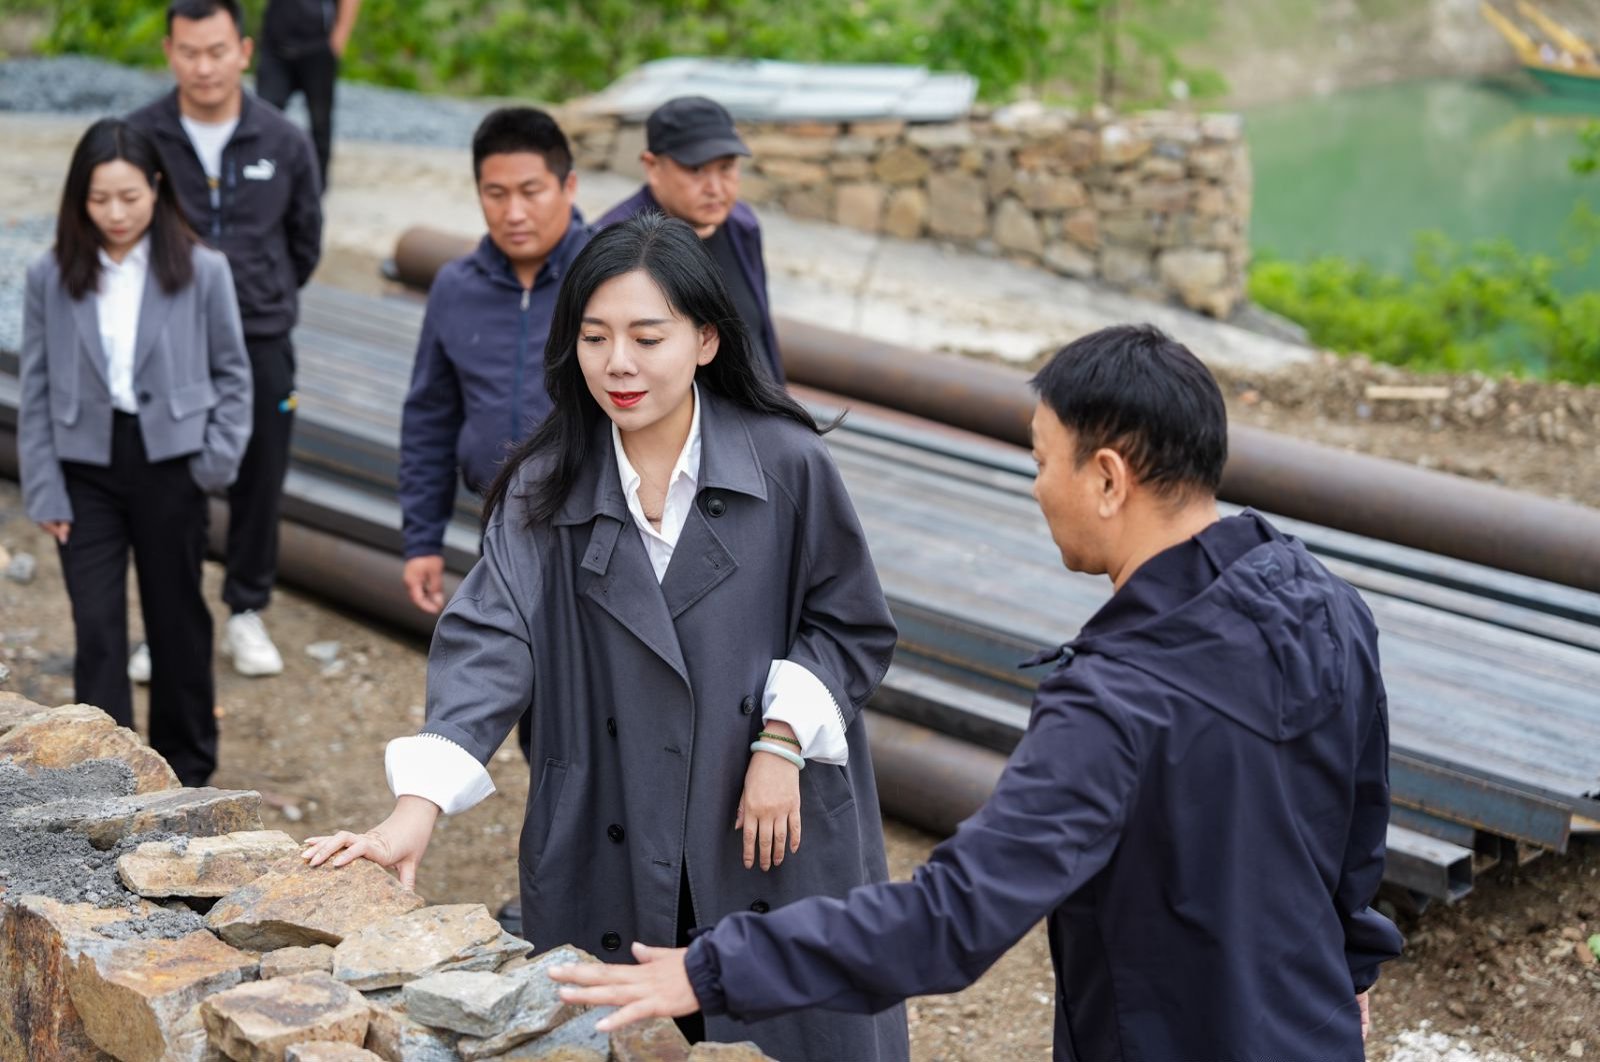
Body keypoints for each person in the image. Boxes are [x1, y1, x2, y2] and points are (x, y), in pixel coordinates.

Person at [549, 325, 1407, 1061]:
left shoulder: (1114, 702)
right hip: (1312, 1029)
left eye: (1043, 461)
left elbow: (953, 918)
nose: (1037, 487)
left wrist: (711, 969)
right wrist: (1351, 969)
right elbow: (1356, 825)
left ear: (1109, 479)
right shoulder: (1325, 605)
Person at [303, 214, 910, 1061]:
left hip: (767, 821)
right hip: (613, 815)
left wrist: (781, 741)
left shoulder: (787, 464)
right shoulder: (542, 489)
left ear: (705, 340)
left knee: (790, 1032)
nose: (618, 362)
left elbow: (849, 623)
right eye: (594, 337)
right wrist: (418, 807)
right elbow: (491, 636)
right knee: (624, 1037)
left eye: (646, 337)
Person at [18, 118, 252, 787]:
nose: (115, 213)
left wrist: (211, 465)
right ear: (79, 199)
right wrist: (45, 486)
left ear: (156, 187)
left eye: (129, 197)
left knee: (176, 619)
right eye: (99, 199)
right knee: (96, 626)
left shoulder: (201, 269)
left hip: (172, 464)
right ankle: (107, 773)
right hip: (84, 470)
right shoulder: (50, 274)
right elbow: (35, 386)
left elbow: (234, 375)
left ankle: (188, 769)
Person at [128, 0, 323, 680]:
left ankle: (246, 609)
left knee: (260, 478)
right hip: (167, 346)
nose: (204, 67)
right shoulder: (139, 136)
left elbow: (305, 242)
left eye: (217, 51)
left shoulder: (284, 140)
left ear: (243, 51)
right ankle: (167, 621)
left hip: (262, 338)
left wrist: (262, 295)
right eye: (189, 52)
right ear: (169, 52)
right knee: (167, 485)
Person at [398, 106, 590, 623]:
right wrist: (422, 540)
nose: (514, 213)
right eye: (496, 194)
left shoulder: (607, 278)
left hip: (597, 533)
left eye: (531, 191)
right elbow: (430, 421)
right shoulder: (455, 287)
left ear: (568, 186)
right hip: (498, 530)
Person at [598, 96, 783, 385]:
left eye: (726, 167)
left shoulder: (742, 225)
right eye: (696, 169)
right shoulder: (615, 246)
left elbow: (759, 335)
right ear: (652, 167)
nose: (715, 188)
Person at [256, 0, 362, 189]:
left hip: (317, 44)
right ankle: (261, 181)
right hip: (275, 43)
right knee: (265, 113)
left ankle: (316, 188)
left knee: (320, 121)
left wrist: (339, 39)